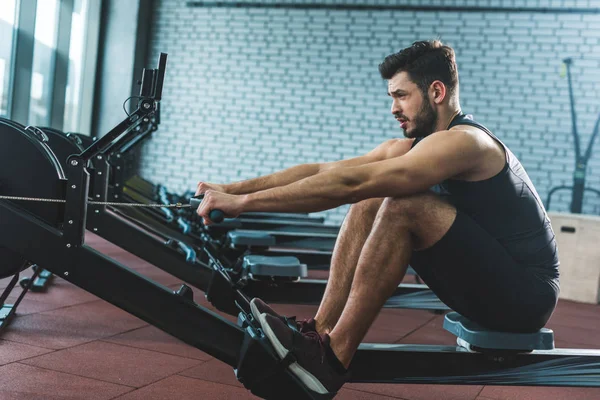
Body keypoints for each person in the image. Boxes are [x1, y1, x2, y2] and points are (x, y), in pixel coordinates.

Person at [195, 40, 560, 397]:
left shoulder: (467, 143)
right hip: (488, 283)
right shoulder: (414, 147)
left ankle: (332, 359)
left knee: (402, 205)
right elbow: (325, 170)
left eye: (402, 96)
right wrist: (230, 188)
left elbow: (352, 183)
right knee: (373, 199)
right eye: (392, 97)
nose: (393, 108)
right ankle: (319, 333)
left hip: (526, 297)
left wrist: (243, 203)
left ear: (436, 91)